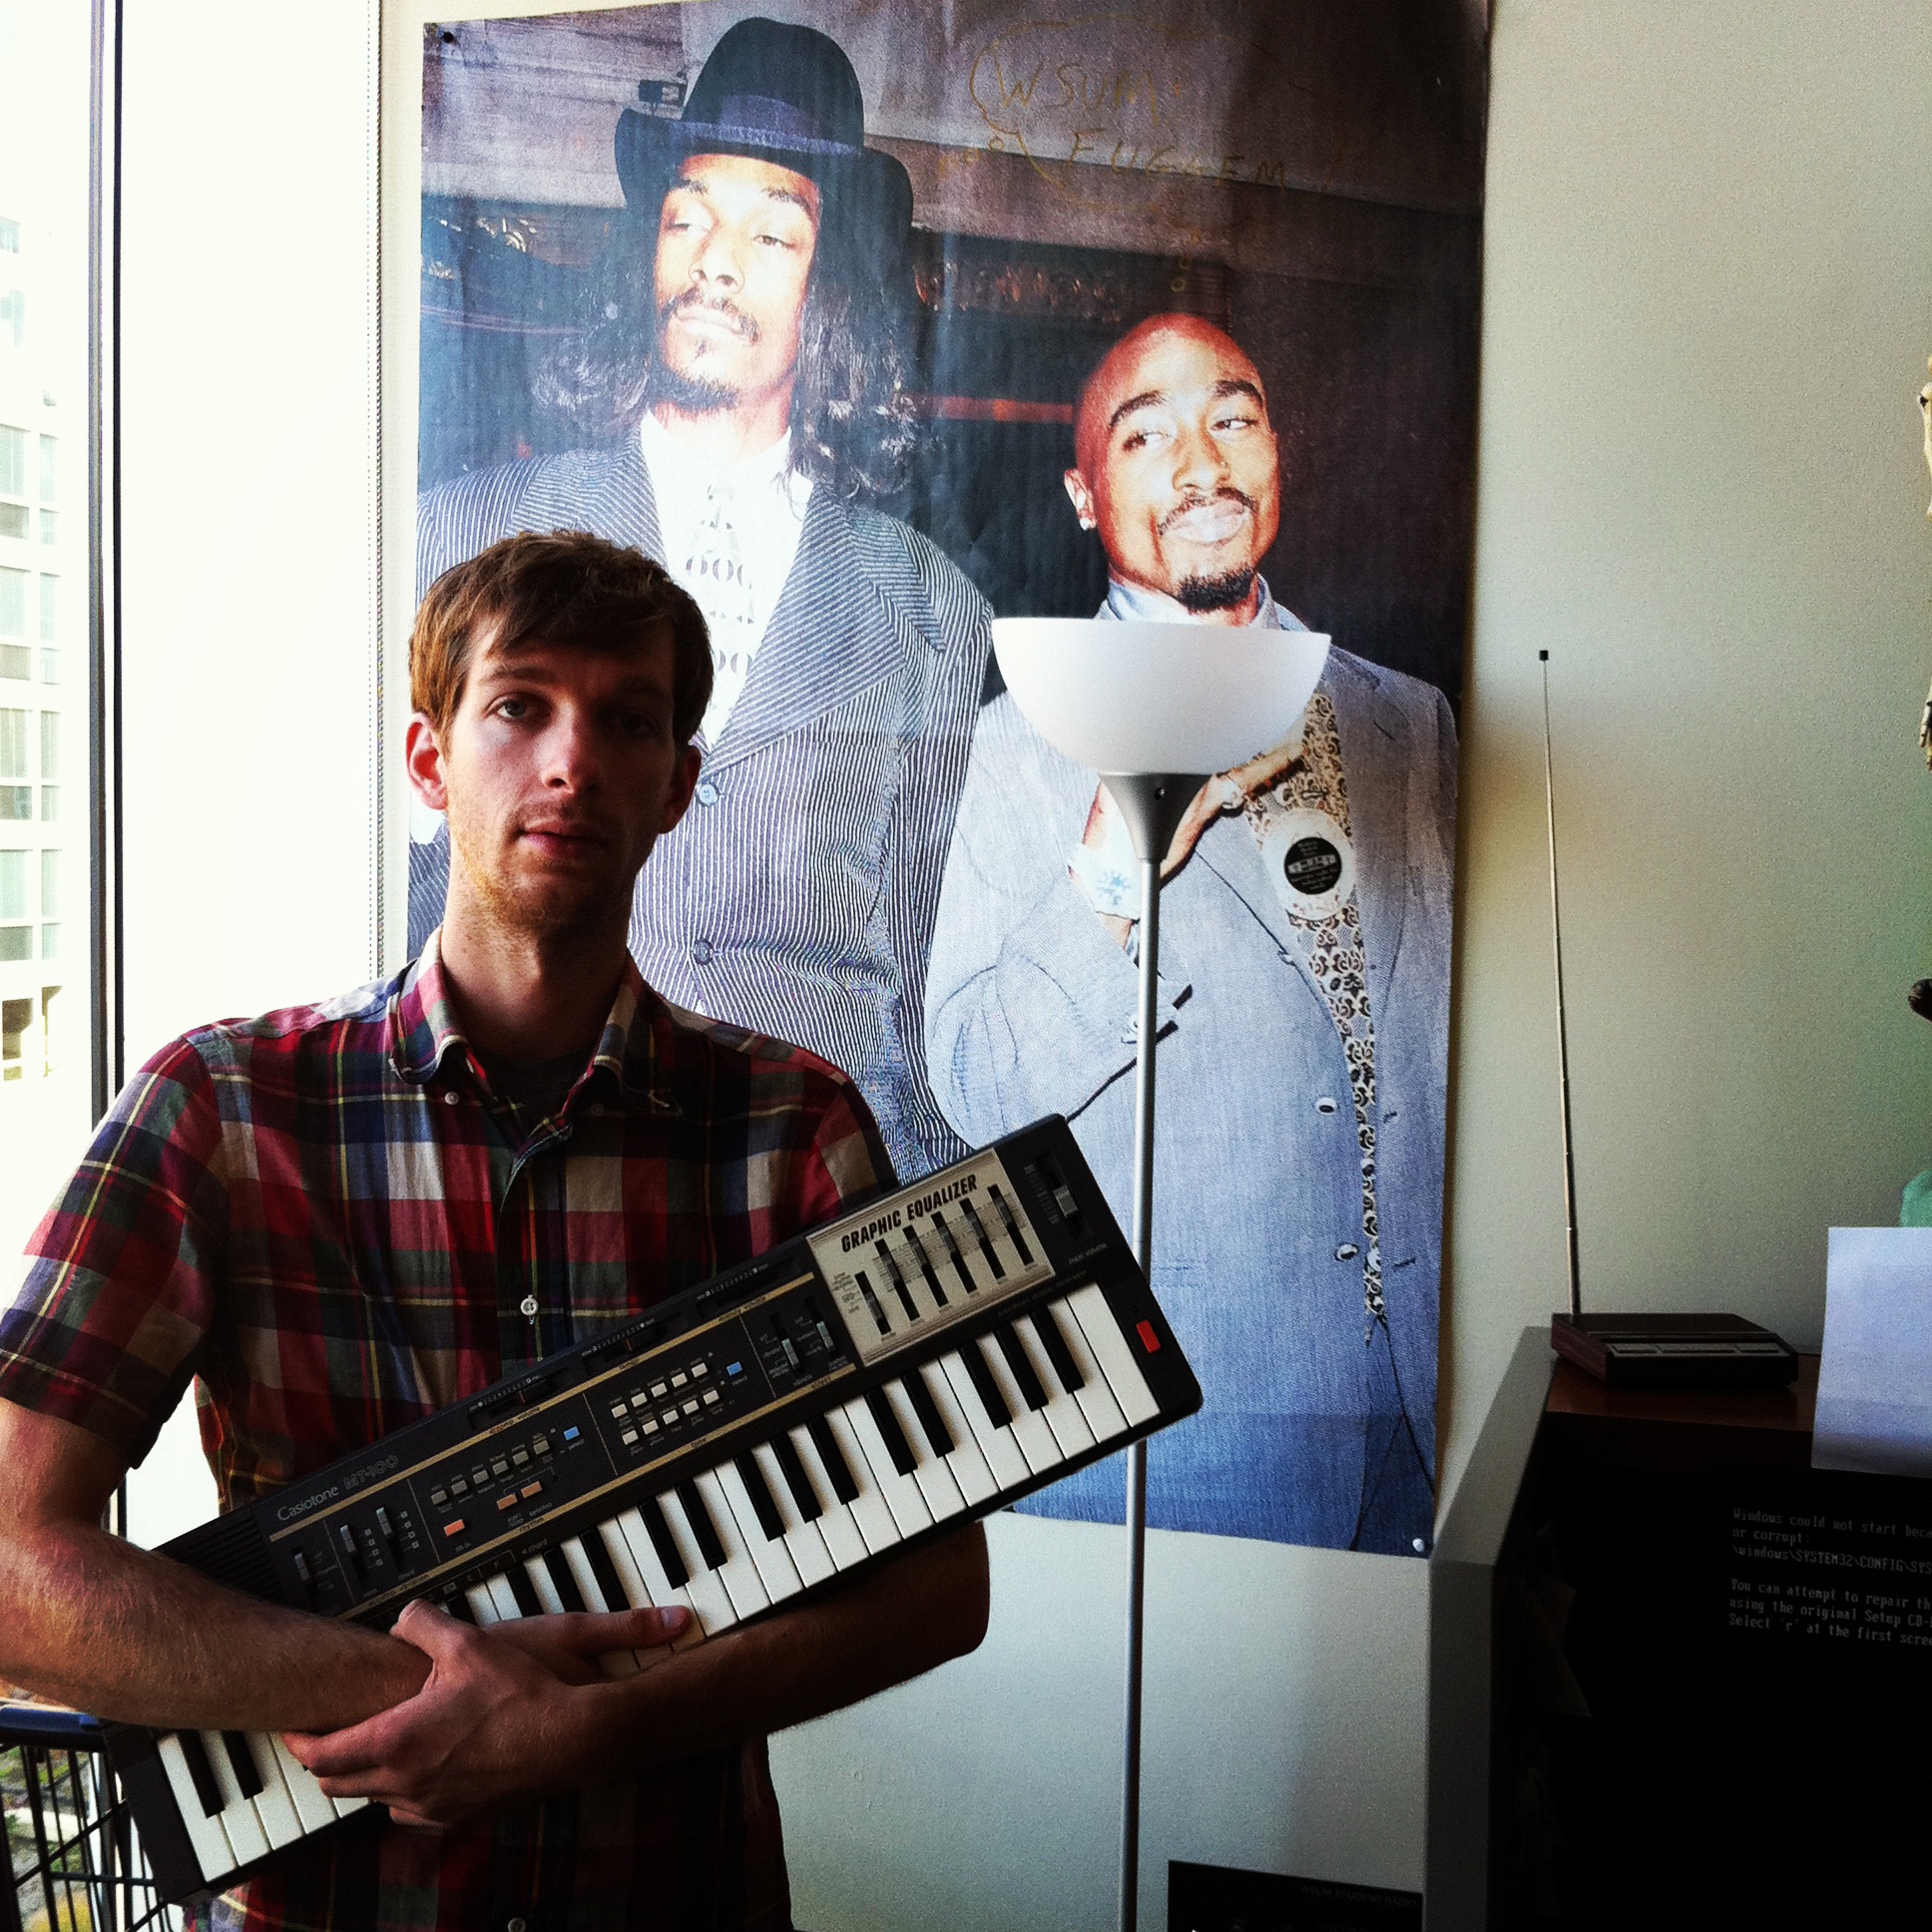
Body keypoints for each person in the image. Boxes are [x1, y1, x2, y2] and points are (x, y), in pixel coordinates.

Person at [0, 533, 989, 1931]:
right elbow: (11, 1567)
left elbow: (940, 1588)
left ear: (678, 785)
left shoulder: (793, 1125)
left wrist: (590, 1729)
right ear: (429, 761)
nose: (572, 761)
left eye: (628, 720)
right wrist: (432, 1696)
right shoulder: (219, 1106)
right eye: (520, 705)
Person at [413, 15, 989, 1184]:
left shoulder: (934, 604)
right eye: (689, 217)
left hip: (804, 1191)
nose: (717, 262)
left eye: (773, 232)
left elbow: (920, 982)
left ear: (830, 281)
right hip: (522, 1172)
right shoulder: (455, 536)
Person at [924, 315, 1455, 1554]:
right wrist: (1120, 850)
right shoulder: (1014, 747)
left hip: (1413, 1427)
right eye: (1146, 435)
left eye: (1232, 419)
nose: (1203, 464)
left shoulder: (1411, 722)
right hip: (1173, 1455)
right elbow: (980, 1087)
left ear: (1277, 450)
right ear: (1082, 493)